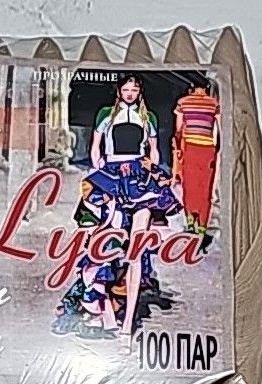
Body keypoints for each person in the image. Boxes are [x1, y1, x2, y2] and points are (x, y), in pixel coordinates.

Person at [54, 75, 184, 346]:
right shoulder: (106, 114)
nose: (130, 93)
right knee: (106, 243)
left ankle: (126, 328)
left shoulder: (148, 117)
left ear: (139, 91)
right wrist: (99, 174)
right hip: (112, 176)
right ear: (119, 91)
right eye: (126, 89)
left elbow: (154, 152)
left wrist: (151, 170)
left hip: (139, 178)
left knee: (135, 249)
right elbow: (95, 149)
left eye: (134, 89)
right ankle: (102, 310)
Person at [173, 81, 221, 246]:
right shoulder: (213, 103)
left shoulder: (183, 102)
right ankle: (202, 227)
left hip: (190, 148)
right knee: (205, 188)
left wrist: (178, 149)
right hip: (208, 149)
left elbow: (178, 129)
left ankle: (190, 223)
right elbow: (219, 129)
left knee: (189, 186)